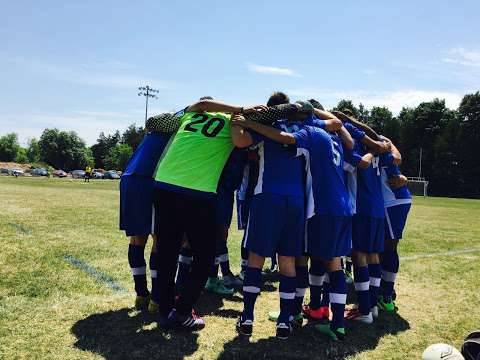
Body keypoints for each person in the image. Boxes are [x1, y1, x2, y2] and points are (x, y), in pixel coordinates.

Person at [152, 98, 264, 331]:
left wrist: (238, 110)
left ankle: (164, 312)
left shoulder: (190, 114)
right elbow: (241, 142)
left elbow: (203, 102)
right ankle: (183, 311)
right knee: (204, 256)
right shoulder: (231, 120)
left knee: (167, 252)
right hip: (198, 190)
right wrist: (241, 114)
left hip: (165, 183)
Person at [119, 127, 173, 311]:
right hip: (147, 179)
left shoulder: (160, 127)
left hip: (130, 177)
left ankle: (141, 294)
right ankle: (156, 299)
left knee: (137, 239)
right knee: (158, 238)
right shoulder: (184, 126)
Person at [378, 147, 411, 312]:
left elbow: (397, 160)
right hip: (394, 200)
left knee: (389, 246)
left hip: (392, 201)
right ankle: (385, 288)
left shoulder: (380, 148)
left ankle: (386, 294)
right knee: (384, 246)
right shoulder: (383, 148)